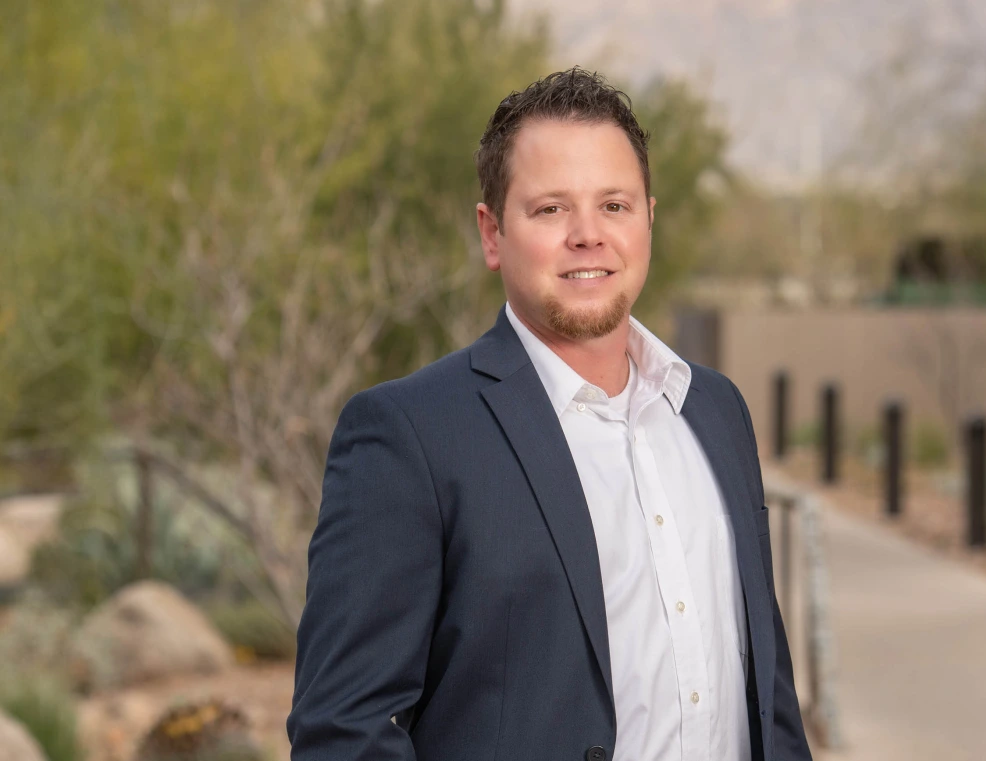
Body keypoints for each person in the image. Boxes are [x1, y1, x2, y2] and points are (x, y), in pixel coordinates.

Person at [287, 67, 812, 761]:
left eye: (614, 206)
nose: (588, 235)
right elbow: (343, 734)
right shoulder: (409, 437)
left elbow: (767, 700)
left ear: (649, 218)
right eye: (550, 209)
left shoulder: (715, 412)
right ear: (492, 232)